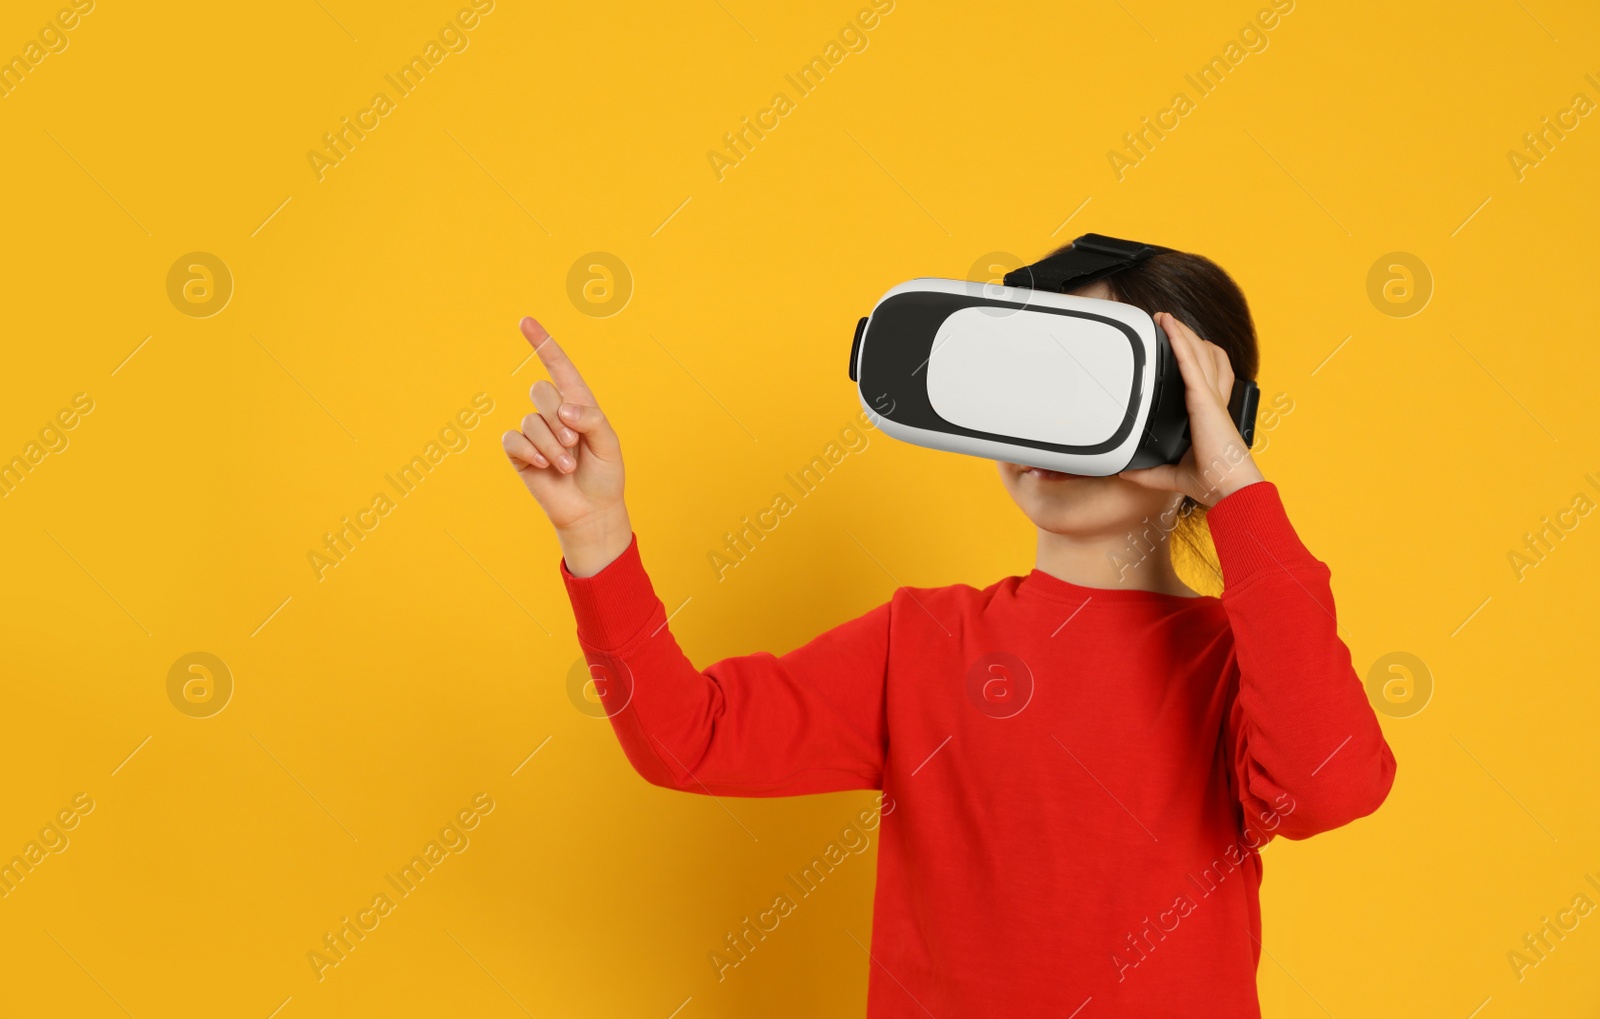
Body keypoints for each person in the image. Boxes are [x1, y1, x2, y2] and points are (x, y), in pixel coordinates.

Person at [500, 248, 1396, 1018]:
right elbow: (685, 738)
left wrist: (1237, 485)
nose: (1049, 426)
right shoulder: (922, 642)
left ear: (1192, 418)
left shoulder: (1241, 664)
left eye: (1090, 388)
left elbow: (1331, 786)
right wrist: (596, 535)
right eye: (1031, 384)